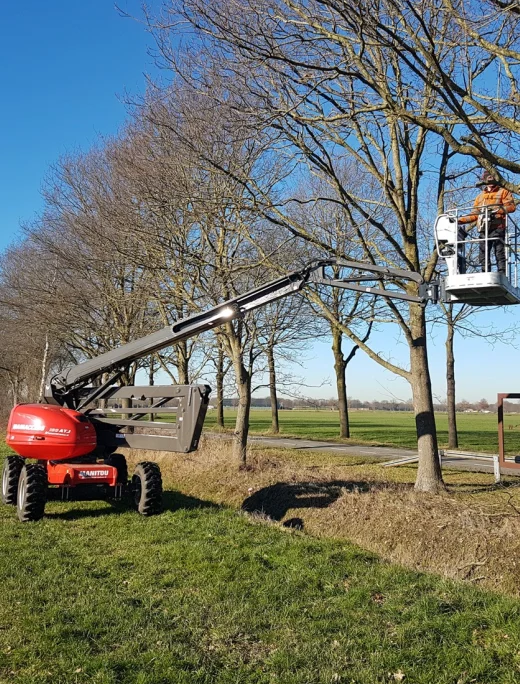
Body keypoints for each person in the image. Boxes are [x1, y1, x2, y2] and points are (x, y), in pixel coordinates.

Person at [458, 171, 516, 274]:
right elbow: (474, 214)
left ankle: (501, 273)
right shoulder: (480, 197)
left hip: (498, 226)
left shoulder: (503, 192)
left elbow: (511, 207)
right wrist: (459, 220)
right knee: (483, 252)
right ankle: (485, 272)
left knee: (499, 251)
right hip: (484, 228)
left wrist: (496, 211)